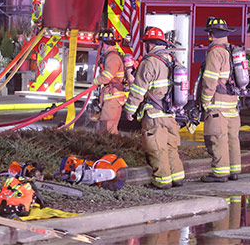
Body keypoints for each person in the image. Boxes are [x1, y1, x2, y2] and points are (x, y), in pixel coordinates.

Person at [124, 27, 185, 189]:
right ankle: (178, 177)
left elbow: (138, 89)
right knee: (171, 146)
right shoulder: (173, 59)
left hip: (154, 113)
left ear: (149, 45)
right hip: (171, 113)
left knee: (157, 148)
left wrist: (130, 110)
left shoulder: (150, 61)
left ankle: (162, 180)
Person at [199, 17, 242, 183]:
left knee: (218, 138)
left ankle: (220, 173)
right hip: (232, 103)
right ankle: (234, 170)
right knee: (232, 138)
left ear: (211, 34)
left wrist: (205, 101)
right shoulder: (230, 49)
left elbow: (210, 80)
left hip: (218, 105)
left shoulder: (215, 52)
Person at [93, 29, 126, 134]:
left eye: (101, 43)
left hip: (113, 99)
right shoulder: (110, 56)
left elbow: (107, 77)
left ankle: (111, 149)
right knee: (103, 127)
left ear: (104, 44)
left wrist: (95, 81)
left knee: (108, 128)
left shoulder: (112, 57)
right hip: (110, 98)